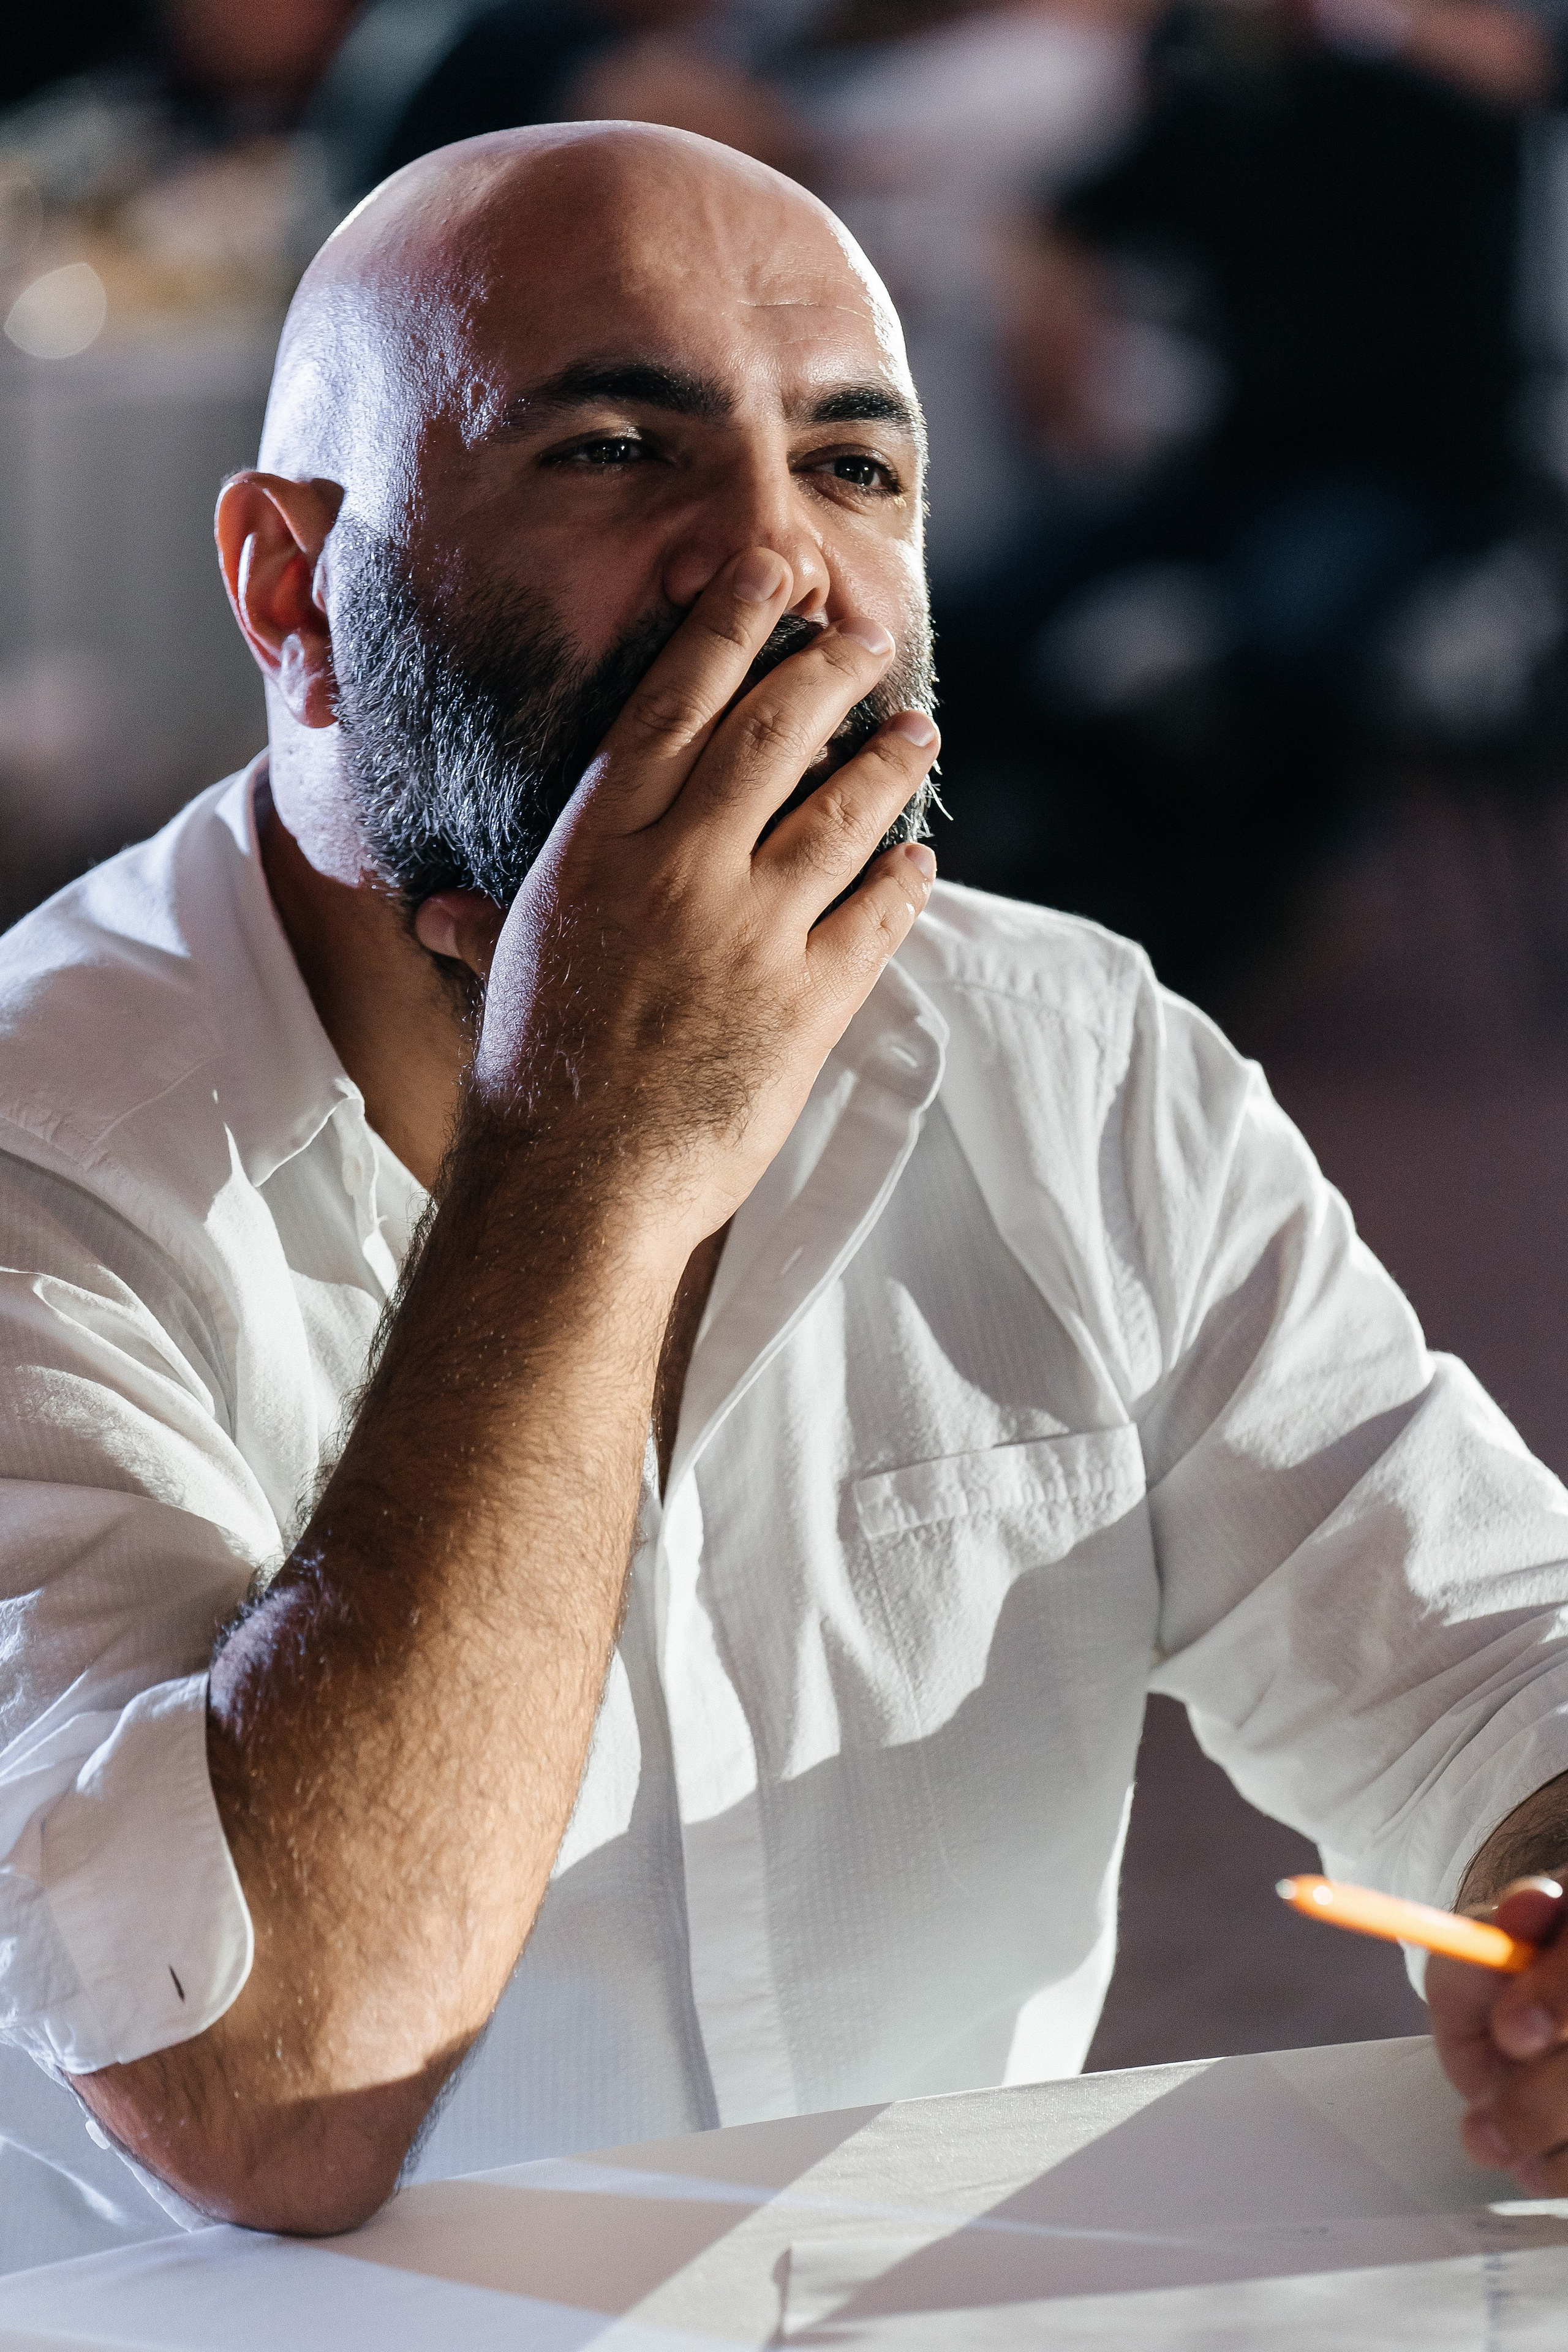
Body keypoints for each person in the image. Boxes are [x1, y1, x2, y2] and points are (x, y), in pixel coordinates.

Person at [1, 121, 1567, 2256]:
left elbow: (1484, 1664)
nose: (776, 571)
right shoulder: (42, 1151)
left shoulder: (1064, 1057)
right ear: (294, 591)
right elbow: (267, 2088)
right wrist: (592, 1149)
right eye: (613, 452)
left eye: (854, 470)